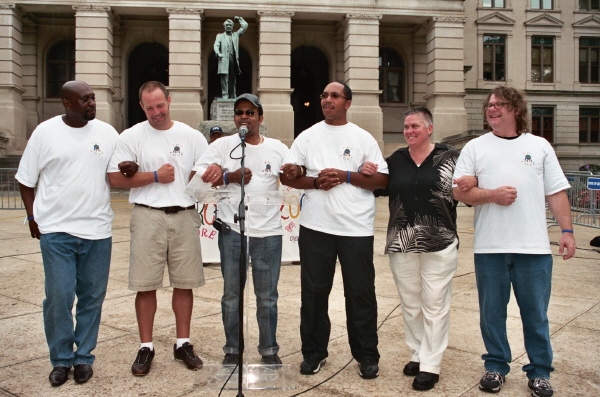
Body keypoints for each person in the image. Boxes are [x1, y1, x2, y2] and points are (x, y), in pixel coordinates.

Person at [453, 86, 576, 397]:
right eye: (489, 104)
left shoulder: (540, 146)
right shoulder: (475, 148)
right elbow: (459, 192)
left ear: (516, 109)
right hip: (490, 248)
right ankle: (495, 366)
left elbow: (556, 192)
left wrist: (567, 231)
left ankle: (539, 372)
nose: (492, 109)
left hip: (533, 249)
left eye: (500, 104)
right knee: (491, 313)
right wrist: (492, 195)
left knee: (535, 314)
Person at [15, 81, 133, 387]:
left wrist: (131, 169)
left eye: (93, 98)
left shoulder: (107, 133)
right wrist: (31, 216)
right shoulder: (45, 132)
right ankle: (61, 360)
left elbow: (118, 173)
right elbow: (26, 180)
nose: (92, 103)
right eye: (85, 100)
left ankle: (83, 358)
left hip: (97, 231)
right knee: (59, 297)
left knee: (92, 298)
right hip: (56, 231)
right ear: (67, 104)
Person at [280, 81, 388, 379]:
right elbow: (289, 176)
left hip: (356, 228)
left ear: (347, 103)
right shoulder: (308, 136)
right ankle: (314, 353)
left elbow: (381, 181)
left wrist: (347, 176)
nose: (327, 100)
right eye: (324, 95)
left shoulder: (363, 138)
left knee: (360, 294)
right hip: (316, 226)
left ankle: (366, 355)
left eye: (335, 96)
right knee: (314, 293)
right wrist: (315, 181)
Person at [363, 107, 472, 390]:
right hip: (402, 242)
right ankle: (417, 352)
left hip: (440, 242)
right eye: (406, 127)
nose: (409, 131)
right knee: (411, 304)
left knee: (435, 304)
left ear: (429, 128)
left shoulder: (450, 157)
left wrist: (474, 182)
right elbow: (378, 186)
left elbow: (467, 190)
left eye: (415, 126)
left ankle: (431, 365)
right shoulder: (397, 159)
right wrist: (368, 171)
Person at [107, 81, 209, 376]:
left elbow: (203, 172)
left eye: (160, 105)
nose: (156, 112)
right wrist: (152, 176)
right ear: (142, 107)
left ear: (169, 100)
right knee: (145, 284)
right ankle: (146, 346)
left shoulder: (191, 136)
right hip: (147, 215)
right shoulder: (131, 136)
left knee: (184, 282)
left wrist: (208, 175)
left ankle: (183, 342)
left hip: (185, 214)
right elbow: (115, 178)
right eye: (149, 107)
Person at [194, 93, 289, 365]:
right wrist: (228, 177)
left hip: (268, 233)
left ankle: (269, 350)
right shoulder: (222, 146)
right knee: (232, 295)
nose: (244, 117)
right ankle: (233, 350)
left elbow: (294, 175)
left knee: (267, 297)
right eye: (239, 112)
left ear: (260, 117)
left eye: (250, 112)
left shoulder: (277, 148)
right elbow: (194, 179)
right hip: (232, 232)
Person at [214, 16, 248, 99]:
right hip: (224, 59)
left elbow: (245, 25)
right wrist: (218, 53)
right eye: (227, 25)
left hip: (233, 59)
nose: (228, 27)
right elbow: (216, 45)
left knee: (233, 78)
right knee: (224, 78)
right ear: (224, 27)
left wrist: (239, 19)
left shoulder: (235, 35)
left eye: (230, 25)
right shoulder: (220, 36)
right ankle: (225, 95)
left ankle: (233, 95)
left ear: (232, 27)